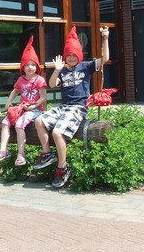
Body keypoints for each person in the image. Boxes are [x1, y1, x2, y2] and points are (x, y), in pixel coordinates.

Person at [33, 26, 110, 188]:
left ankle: (62, 167)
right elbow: (52, 84)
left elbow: (105, 58)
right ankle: (47, 153)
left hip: (79, 107)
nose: (71, 57)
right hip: (64, 107)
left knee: (57, 132)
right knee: (39, 120)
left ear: (79, 55)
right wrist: (57, 70)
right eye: (68, 55)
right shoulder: (62, 71)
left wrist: (105, 38)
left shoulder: (86, 66)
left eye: (74, 54)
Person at [0, 36, 47, 166]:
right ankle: (3, 149)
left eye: (33, 65)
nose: (30, 67)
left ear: (37, 66)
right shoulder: (21, 79)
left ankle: (21, 154)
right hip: (22, 108)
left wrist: (34, 106)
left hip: (36, 110)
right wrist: (8, 102)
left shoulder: (39, 80)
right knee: (5, 122)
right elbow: (15, 90)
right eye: (27, 65)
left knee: (19, 124)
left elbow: (43, 98)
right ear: (23, 67)